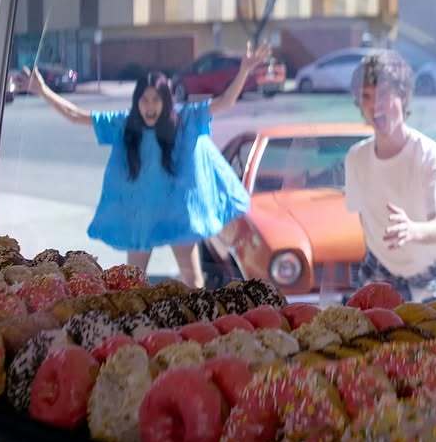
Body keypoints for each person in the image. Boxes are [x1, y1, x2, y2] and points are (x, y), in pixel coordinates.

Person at [28, 44, 267, 287]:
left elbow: (225, 102)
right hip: (141, 215)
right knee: (133, 281)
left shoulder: (186, 119)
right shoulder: (125, 123)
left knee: (193, 279)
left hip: (179, 214)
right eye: (144, 100)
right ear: (137, 101)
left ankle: (195, 312)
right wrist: (43, 91)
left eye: (156, 99)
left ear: (166, 101)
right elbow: (76, 115)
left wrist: (244, 70)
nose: (150, 106)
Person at [343, 51, 436, 303]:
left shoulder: (430, 156)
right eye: (366, 96)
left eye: (383, 94)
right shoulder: (356, 158)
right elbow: (364, 222)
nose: (375, 105)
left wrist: (412, 230)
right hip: (377, 278)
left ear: (403, 96)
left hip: (427, 286)